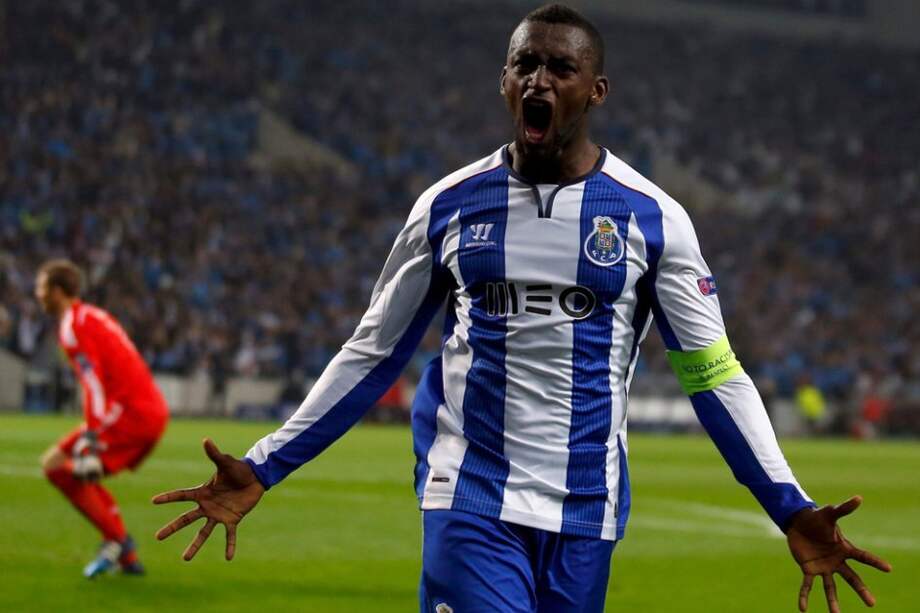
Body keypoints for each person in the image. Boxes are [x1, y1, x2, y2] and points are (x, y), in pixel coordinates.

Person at [153, 5, 890, 611]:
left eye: (560, 68)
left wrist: (787, 502)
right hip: (468, 495)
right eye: (524, 64)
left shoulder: (651, 219)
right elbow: (375, 350)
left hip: (586, 513)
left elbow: (714, 374)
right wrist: (267, 462)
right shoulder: (447, 207)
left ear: (595, 91)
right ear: (504, 81)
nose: (539, 79)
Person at [36, 259, 170, 578]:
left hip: (129, 413)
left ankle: (120, 542)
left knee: (71, 470)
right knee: (56, 463)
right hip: (142, 409)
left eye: (41, 287)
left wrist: (92, 435)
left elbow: (92, 382)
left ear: (57, 291)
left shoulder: (73, 326)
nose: (38, 294)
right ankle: (126, 557)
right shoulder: (93, 315)